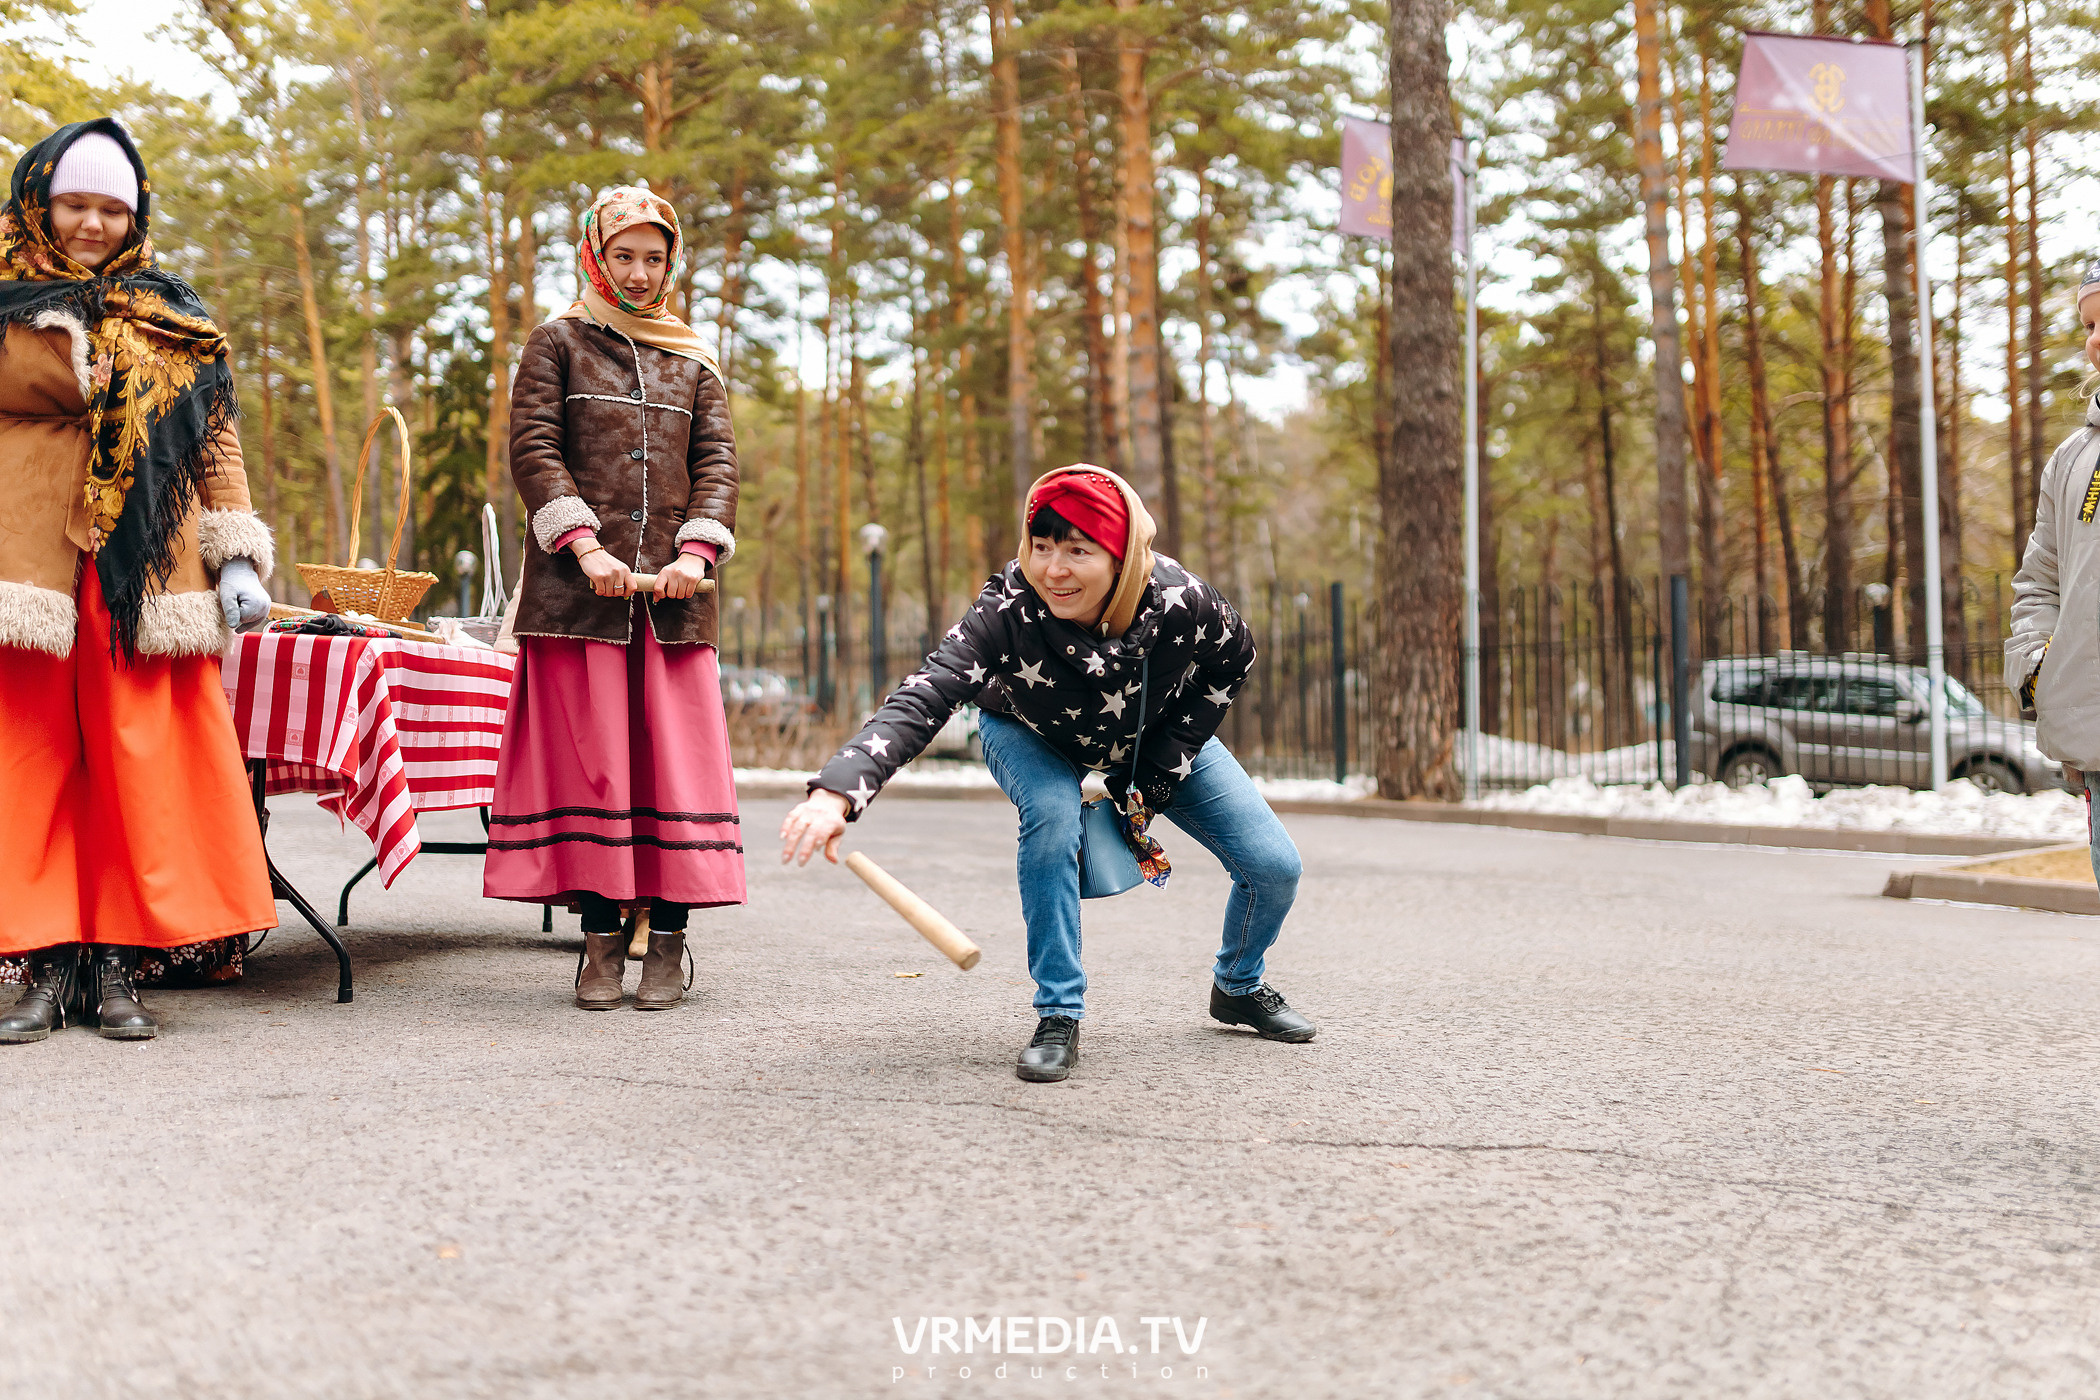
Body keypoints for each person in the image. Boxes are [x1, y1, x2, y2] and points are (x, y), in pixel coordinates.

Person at [780, 465, 1314, 1082]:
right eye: (1041, 546)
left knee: (1275, 866)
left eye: (1078, 551)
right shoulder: (1007, 608)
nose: (1053, 569)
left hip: (1153, 737)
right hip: (1029, 733)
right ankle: (1059, 1012)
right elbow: (922, 697)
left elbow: (1235, 659)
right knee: (1055, 820)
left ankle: (1239, 986)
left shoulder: (1180, 600)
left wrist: (1166, 761)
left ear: (1121, 556)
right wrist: (835, 794)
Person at [0, 119, 277, 1044]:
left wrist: (236, 551)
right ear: (39, 199)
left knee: (139, 758)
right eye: (74, 203)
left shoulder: (175, 312)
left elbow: (216, 433)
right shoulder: (2, 294)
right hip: (24, 558)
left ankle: (120, 961)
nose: (92, 223)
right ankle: (41, 962)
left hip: (149, 563)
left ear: (136, 212)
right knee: (31, 759)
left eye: (111, 207)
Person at [488, 184, 744, 1011]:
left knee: (674, 772)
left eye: (654, 257)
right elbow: (534, 447)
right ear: (596, 254)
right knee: (595, 772)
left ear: (672, 263)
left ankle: (667, 943)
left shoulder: (693, 359)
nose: (639, 273)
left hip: (672, 608)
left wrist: (696, 553)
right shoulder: (556, 341)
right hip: (579, 604)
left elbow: (718, 465)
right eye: (624, 256)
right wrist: (584, 546)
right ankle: (599, 944)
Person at [2009, 260, 2100, 879]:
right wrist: (2041, 670)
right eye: (2089, 324)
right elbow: (2039, 582)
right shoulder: (2071, 461)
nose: (2093, 340)